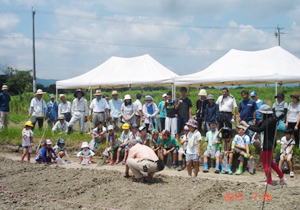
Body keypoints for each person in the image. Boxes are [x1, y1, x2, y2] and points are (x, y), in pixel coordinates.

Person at [241, 105, 286, 185]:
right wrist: (248, 126)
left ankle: (269, 181)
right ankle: (281, 176)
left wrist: (247, 125)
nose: (260, 114)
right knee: (270, 162)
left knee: (266, 163)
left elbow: (259, 129)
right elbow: (257, 127)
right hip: (269, 143)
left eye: (261, 112)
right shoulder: (267, 120)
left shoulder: (269, 121)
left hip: (268, 144)